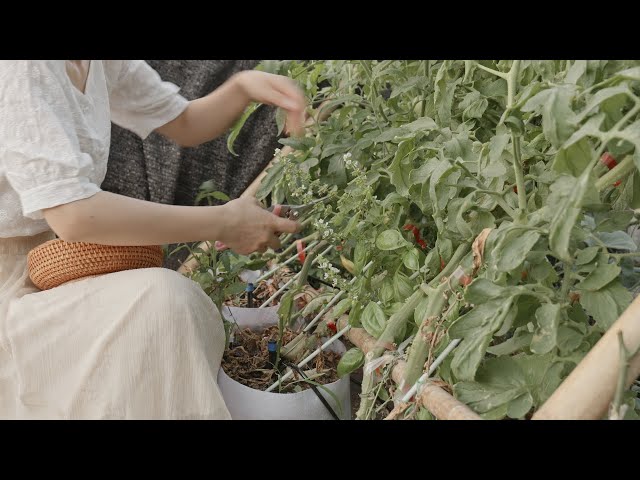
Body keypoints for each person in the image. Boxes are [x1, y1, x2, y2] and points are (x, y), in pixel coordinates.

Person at [0, 60, 303, 419]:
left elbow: (186, 122)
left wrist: (243, 87)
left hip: (52, 263)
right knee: (162, 305)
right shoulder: (24, 67)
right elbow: (73, 214)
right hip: (11, 283)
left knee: (163, 313)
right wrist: (222, 222)